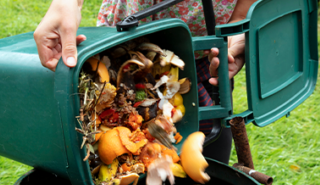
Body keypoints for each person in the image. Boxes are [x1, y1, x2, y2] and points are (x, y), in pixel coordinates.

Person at [33, 0, 257, 163]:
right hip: (122, 52)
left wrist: (236, 36)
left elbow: (241, 15)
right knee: (111, 139)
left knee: (208, 148)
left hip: (203, 59)